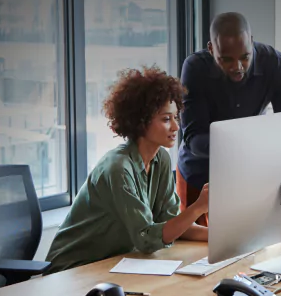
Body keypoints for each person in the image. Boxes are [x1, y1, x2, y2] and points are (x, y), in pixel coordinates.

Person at [46, 66, 210, 273]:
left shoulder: (161, 159)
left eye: (176, 117)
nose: (176, 127)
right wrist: (197, 208)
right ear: (140, 121)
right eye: (166, 119)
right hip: (72, 269)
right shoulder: (118, 169)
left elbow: (172, 225)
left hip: (112, 264)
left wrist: (222, 236)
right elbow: (147, 240)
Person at [177, 13, 281, 223]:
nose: (238, 66)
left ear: (251, 42)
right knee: (195, 242)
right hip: (200, 174)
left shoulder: (276, 64)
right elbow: (194, 138)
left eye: (245, 57)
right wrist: (248, 144)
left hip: (249, 174)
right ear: (211, 49)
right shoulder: (195, 68)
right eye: (226, 59)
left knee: (249, 239)